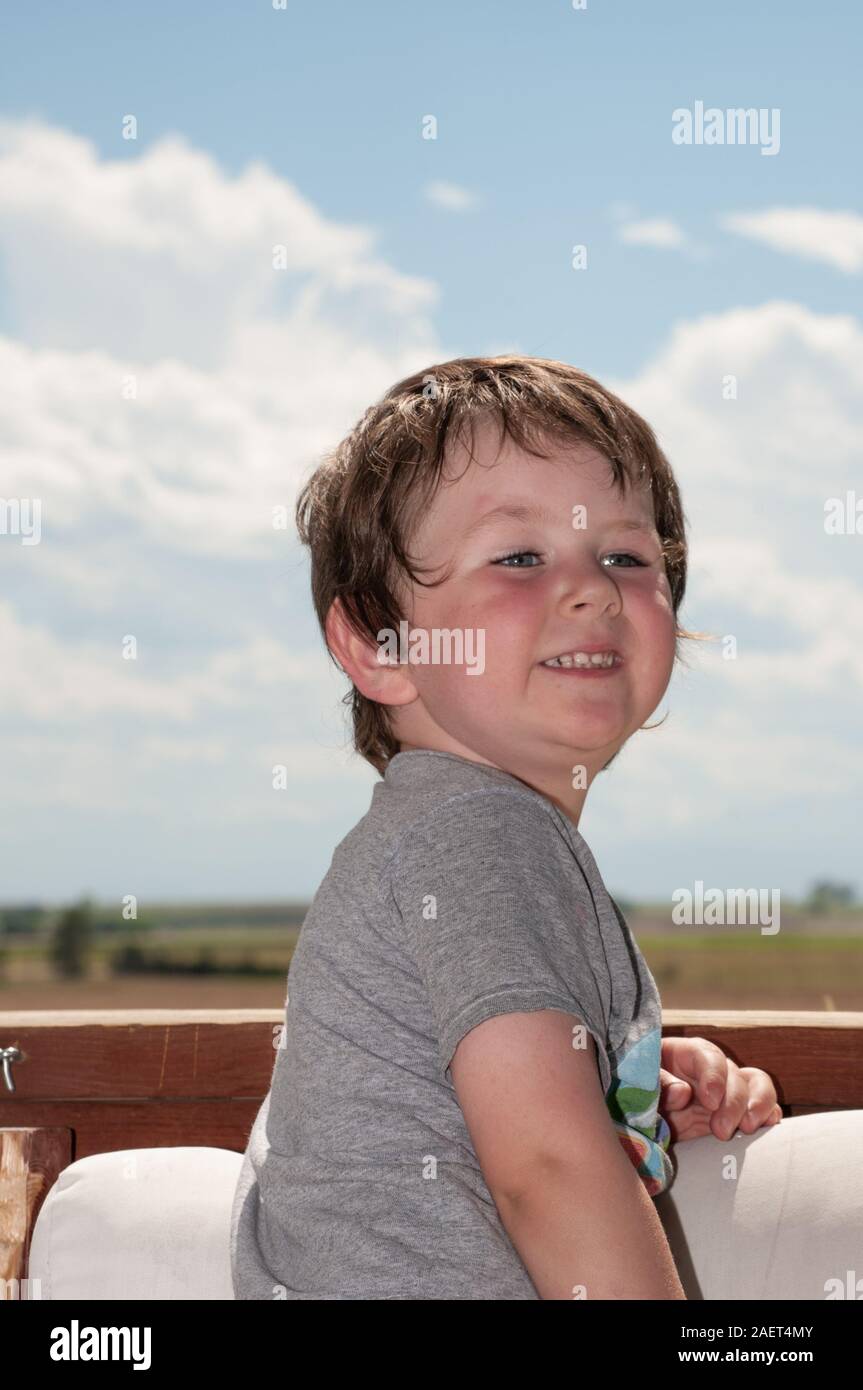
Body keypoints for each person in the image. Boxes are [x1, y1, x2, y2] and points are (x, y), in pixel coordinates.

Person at [229, 355, 811, 1300]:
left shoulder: (447, 831)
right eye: (518, 558)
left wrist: (630, 1078)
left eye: (626, 556)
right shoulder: (479, 837)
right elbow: (547, 1169)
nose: (592, 590)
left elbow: (469, 1096)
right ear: (379, 648)